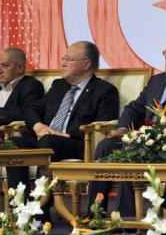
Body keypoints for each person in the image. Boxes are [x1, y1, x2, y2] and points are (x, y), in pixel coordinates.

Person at [88, 37, 166, 217]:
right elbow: (134, 108)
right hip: (143, 138)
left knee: (129, 151)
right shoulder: (157, 80)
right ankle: (94, 214)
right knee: (106, 147)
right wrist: (124, 129)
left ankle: (128, 218)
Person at [9, 41, 119, 197]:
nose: (63, 63)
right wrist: (38, 126)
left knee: (49, 141)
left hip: (79, 144)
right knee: (14, 143)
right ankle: (20, 205)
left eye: (69, 60)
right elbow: (32, 108)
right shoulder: (59, 85)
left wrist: (63, 135)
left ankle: (41, 209)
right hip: (46, 139)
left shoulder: (105, 91)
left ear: (86, 64)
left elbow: (103, 126)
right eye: (64, 59)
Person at [0, 48, 44, 128]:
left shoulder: (31, 86)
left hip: (6, 136)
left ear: (20, 68)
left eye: (5, 65)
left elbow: (29, 114)